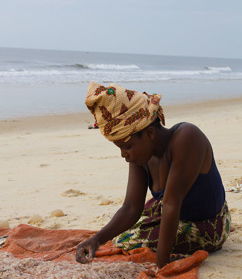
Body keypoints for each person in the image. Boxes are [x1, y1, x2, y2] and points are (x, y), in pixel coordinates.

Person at [76, 82, 231, 268]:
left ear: (149, 133)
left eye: (126, 146)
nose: (124, 154)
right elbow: (131, 207)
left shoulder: (187, 137)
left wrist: (162, 265)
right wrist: (97, 240)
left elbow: (171, 203)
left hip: (208, 225)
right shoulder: (142, 156)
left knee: (124, 240)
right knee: (117, 234)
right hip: (174, 211)